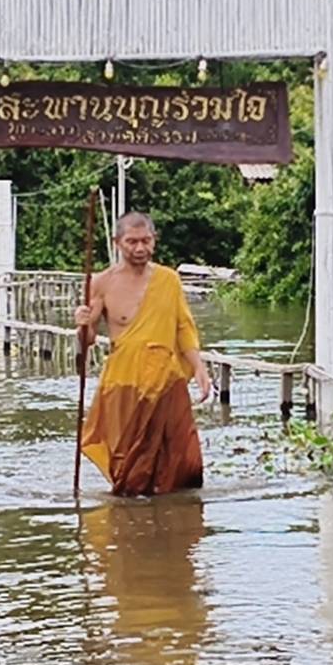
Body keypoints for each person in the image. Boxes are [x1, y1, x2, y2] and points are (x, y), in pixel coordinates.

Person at [74, 211, 212, 496]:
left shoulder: (168, 280)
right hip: (124, 384)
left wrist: (199, 367)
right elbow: (88, 340)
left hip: (166, 382)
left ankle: (174, 519)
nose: (140, 248)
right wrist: (82, 324)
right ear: (117, 243)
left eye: (146, 241)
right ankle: (128, 521)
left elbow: (183, 327)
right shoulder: (101, 283)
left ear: (154, 240)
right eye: (132, 242)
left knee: (185, 464)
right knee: (129, 470)